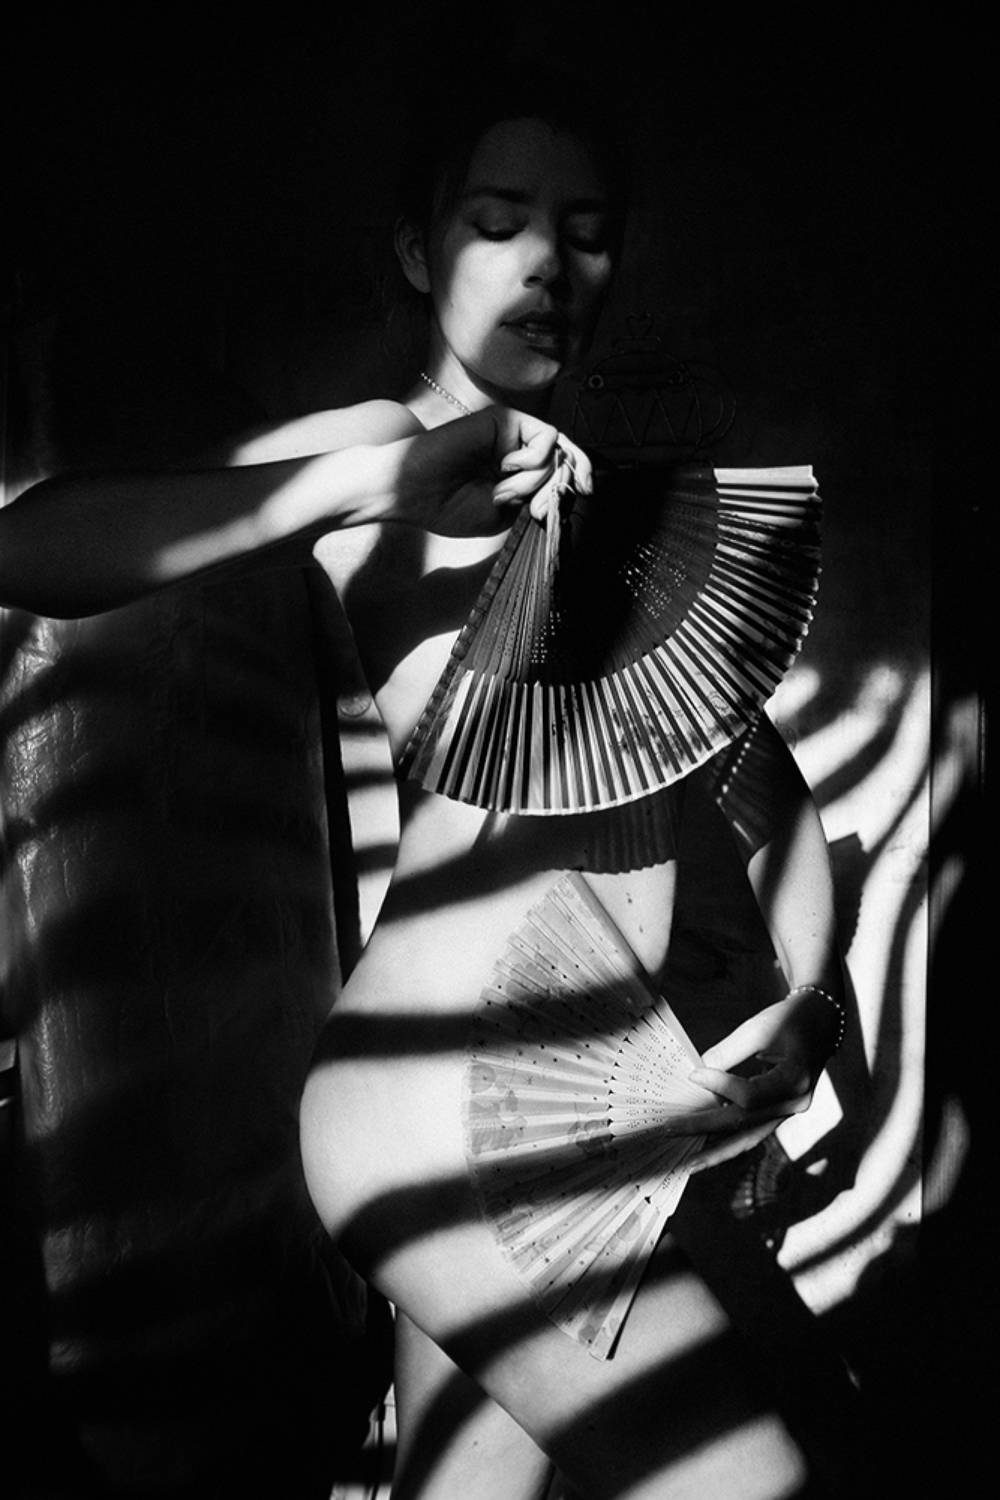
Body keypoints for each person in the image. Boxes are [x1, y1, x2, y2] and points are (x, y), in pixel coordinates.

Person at [1, 72, 863, 1500]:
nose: (548, 263)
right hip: (453, 1096)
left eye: (586, 228)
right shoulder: (378, 449)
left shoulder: (629, 514)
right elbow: (33, 546)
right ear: (420, 249)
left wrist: (811, 1005)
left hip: (605, 1095)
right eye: (500, 219)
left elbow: (765, 797)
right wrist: (375, 486)